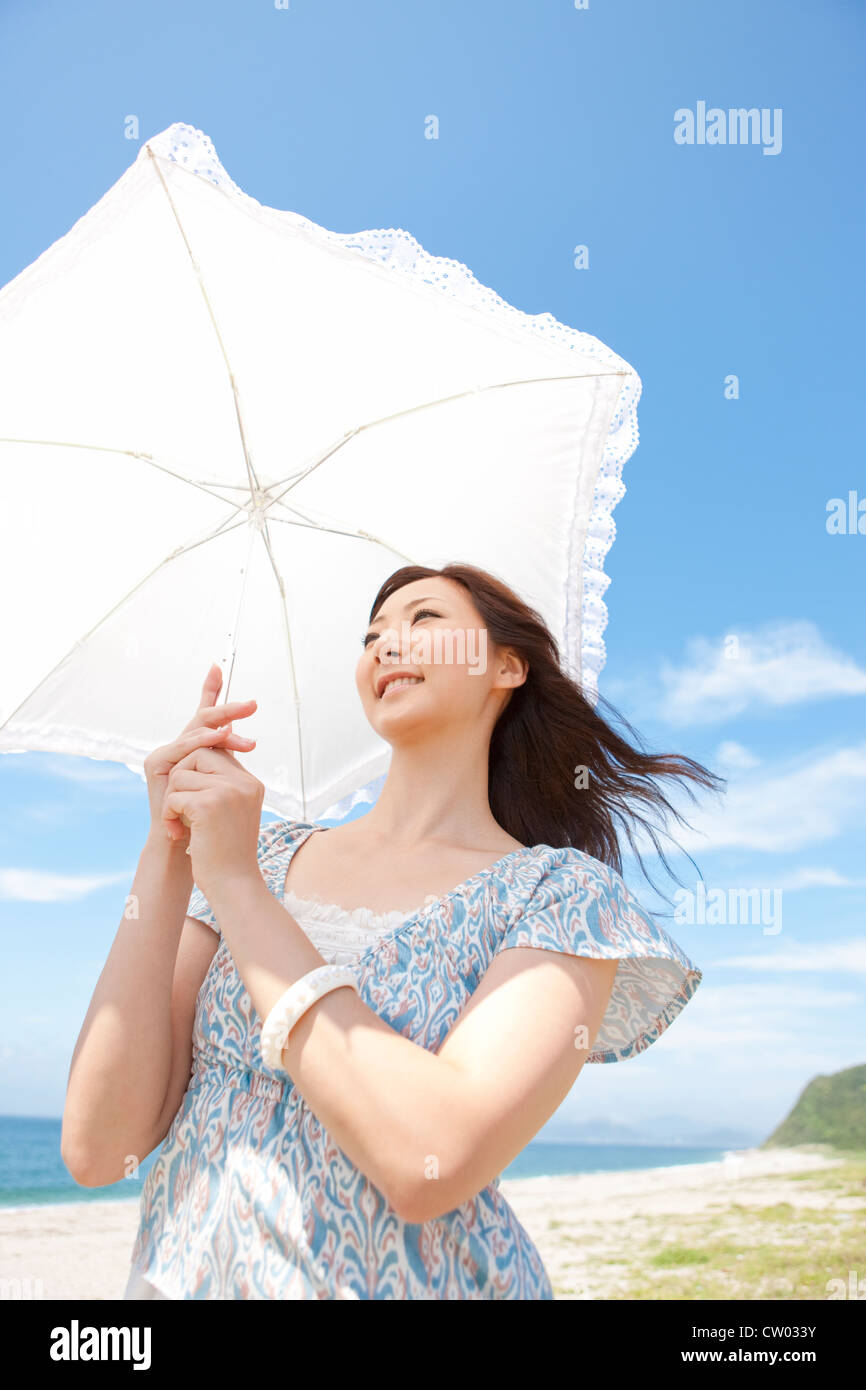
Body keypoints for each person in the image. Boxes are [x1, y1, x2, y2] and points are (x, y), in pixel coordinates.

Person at [62, 561, 722, 1300]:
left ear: (507, 665)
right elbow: (98, 1149)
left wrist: (239, 888)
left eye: (425, 621)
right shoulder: (265, 853)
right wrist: (169, 850)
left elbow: (428, 1162)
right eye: (372, 634)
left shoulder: (560, 895)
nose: (385, 644)